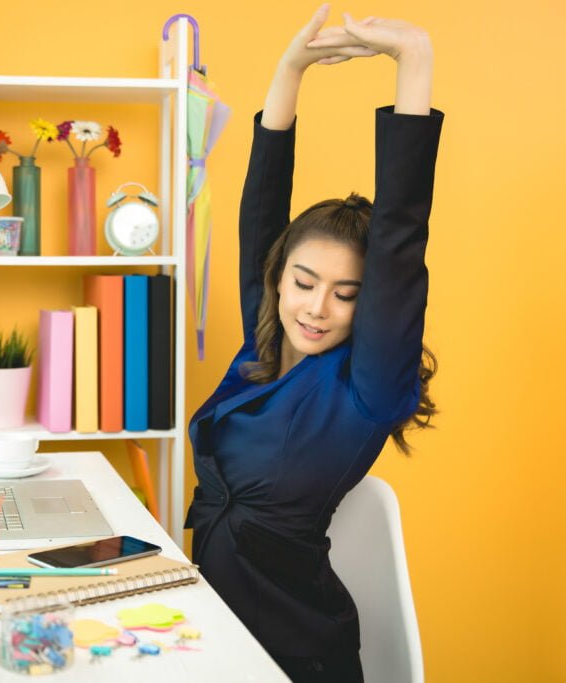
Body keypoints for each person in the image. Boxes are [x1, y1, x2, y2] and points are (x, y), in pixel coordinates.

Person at [184, 5, 443, 682]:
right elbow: (262, 210)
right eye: (303, 281)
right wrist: (290, 69)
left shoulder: (367, 389)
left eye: (347, 294)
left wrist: (415, 60)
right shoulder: (261, 350)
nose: (318, 307)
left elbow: (399, 236)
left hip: (294, 659)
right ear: (278, 279)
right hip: (214, 636)